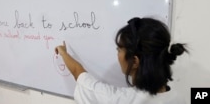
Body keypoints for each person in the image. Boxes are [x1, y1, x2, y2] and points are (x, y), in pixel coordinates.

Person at [55, 17, 188, 104]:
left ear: (135, 61)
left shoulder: (118, 99)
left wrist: (63, 52)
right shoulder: (180, 98)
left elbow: (79, 73)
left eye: (119, 50)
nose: (117, 54)